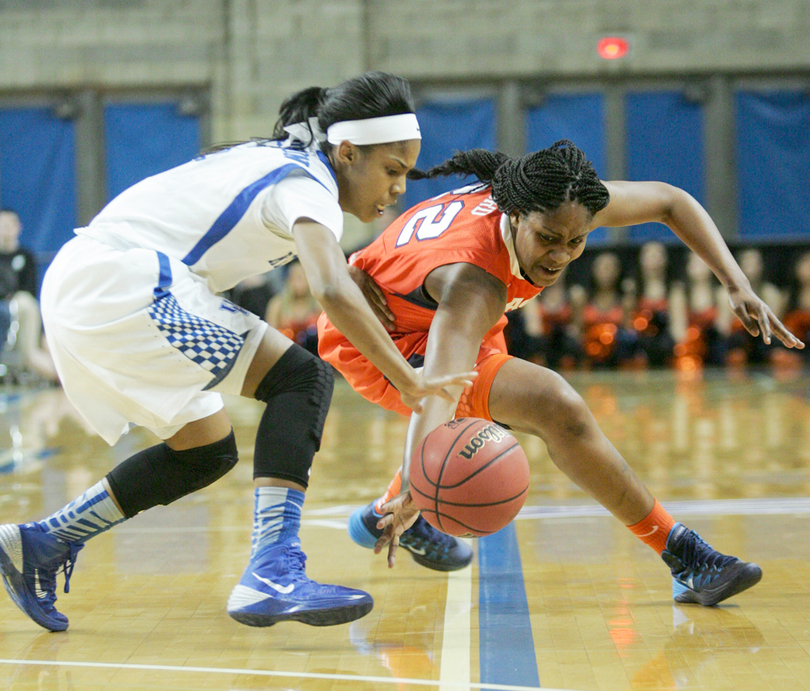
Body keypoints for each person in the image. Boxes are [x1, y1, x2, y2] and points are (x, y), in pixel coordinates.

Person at [0, 71, 476, 632]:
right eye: (392, 170)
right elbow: (327, 288)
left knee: (205, 450)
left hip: (98, 284)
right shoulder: (308, 182)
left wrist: (348, 271)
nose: (399, 188)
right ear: (347, 152)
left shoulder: (288, 166)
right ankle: (272, 571)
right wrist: (408, 378)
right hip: (123, 282)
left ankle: (42, 541)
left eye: (407, 175)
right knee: (302, 379)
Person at [318, 140, 804, 606]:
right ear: (514, 215)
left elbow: (670, 201)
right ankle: (687, 558)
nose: (560, 255)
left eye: (576, 242)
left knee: (504, 410)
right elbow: (435, 393)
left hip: (425, 307)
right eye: (548, 239)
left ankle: (385, 515)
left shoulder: (562, 199)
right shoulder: (475, 283)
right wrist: (418, 488)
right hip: (378, 338)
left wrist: (736, 284)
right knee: (556, 405)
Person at [0, 208, 59, 382]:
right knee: (32, 354)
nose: (6, 229)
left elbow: (30, 290)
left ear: (18, 227)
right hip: (14, 314)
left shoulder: (26, 255)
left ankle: (75, 378)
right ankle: (69, 381)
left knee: (48, 343)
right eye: (2, 225)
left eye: (10, 224)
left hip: (30, 311)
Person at [264, 259, 322, 357]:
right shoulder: (278, 304)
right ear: (288, 279)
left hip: (317, 356)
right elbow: (269, 339)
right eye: (295, 277)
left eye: (302, 277)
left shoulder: (319, 303)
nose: (298, 282)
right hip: (287, 357)